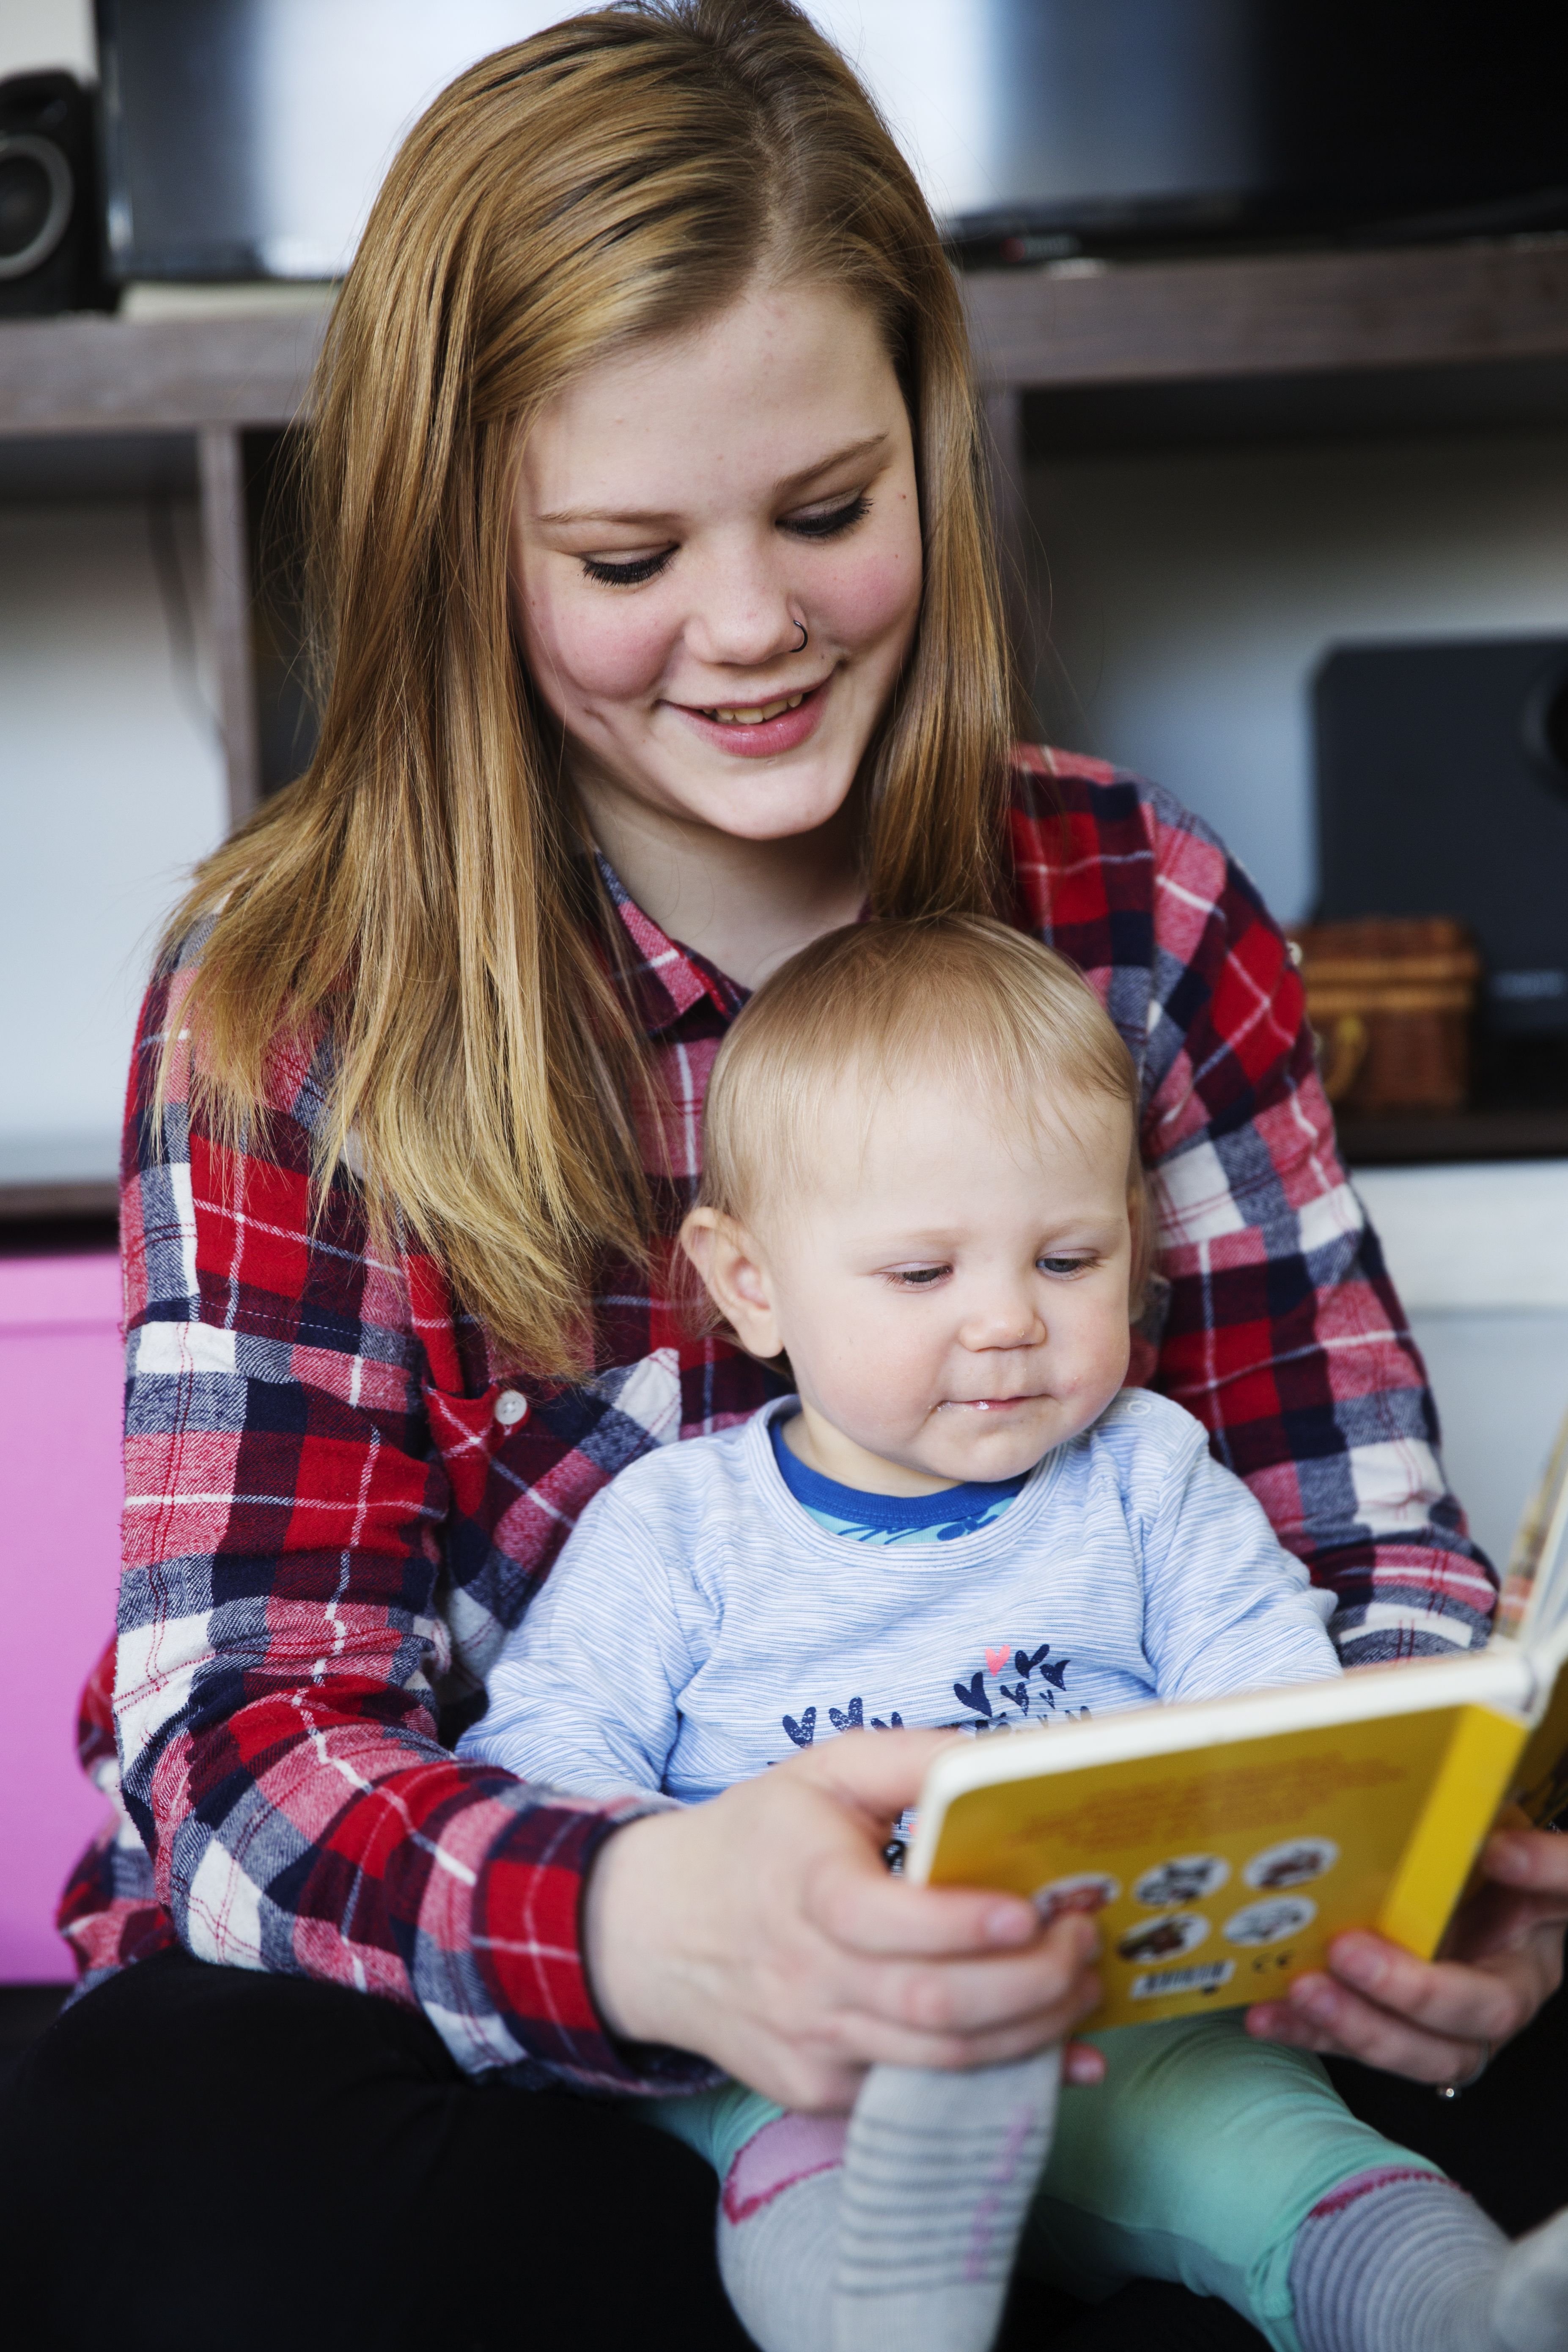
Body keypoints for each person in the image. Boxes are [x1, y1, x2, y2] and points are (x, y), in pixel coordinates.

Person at [3, 5, 1568, 2347]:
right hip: (554, 2032)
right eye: (627, 553)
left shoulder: (1138, 909)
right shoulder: (296, 993)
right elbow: (244, 1737)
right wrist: (641, 1920)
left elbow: (1354, 1557)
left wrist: (1422, 1876)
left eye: (828, 512)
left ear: (930, 440)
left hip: (1121, 2010)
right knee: (164, 2164)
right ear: (459, 544)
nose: (748, 626)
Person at [459, 912, 1568, 2352]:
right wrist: (691, 1896)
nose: (1005, 1322)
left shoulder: (1147, 1475)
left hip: (1134, 2012)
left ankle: (1475, 2312)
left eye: (1064, 1258)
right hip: (820, 2034)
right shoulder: (676, 1525)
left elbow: (1277, 1703)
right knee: (800, 2173)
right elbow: (543, 1759)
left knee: (1302, 2167)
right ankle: (888, 2316)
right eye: (922, 1275)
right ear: (751, 1283)